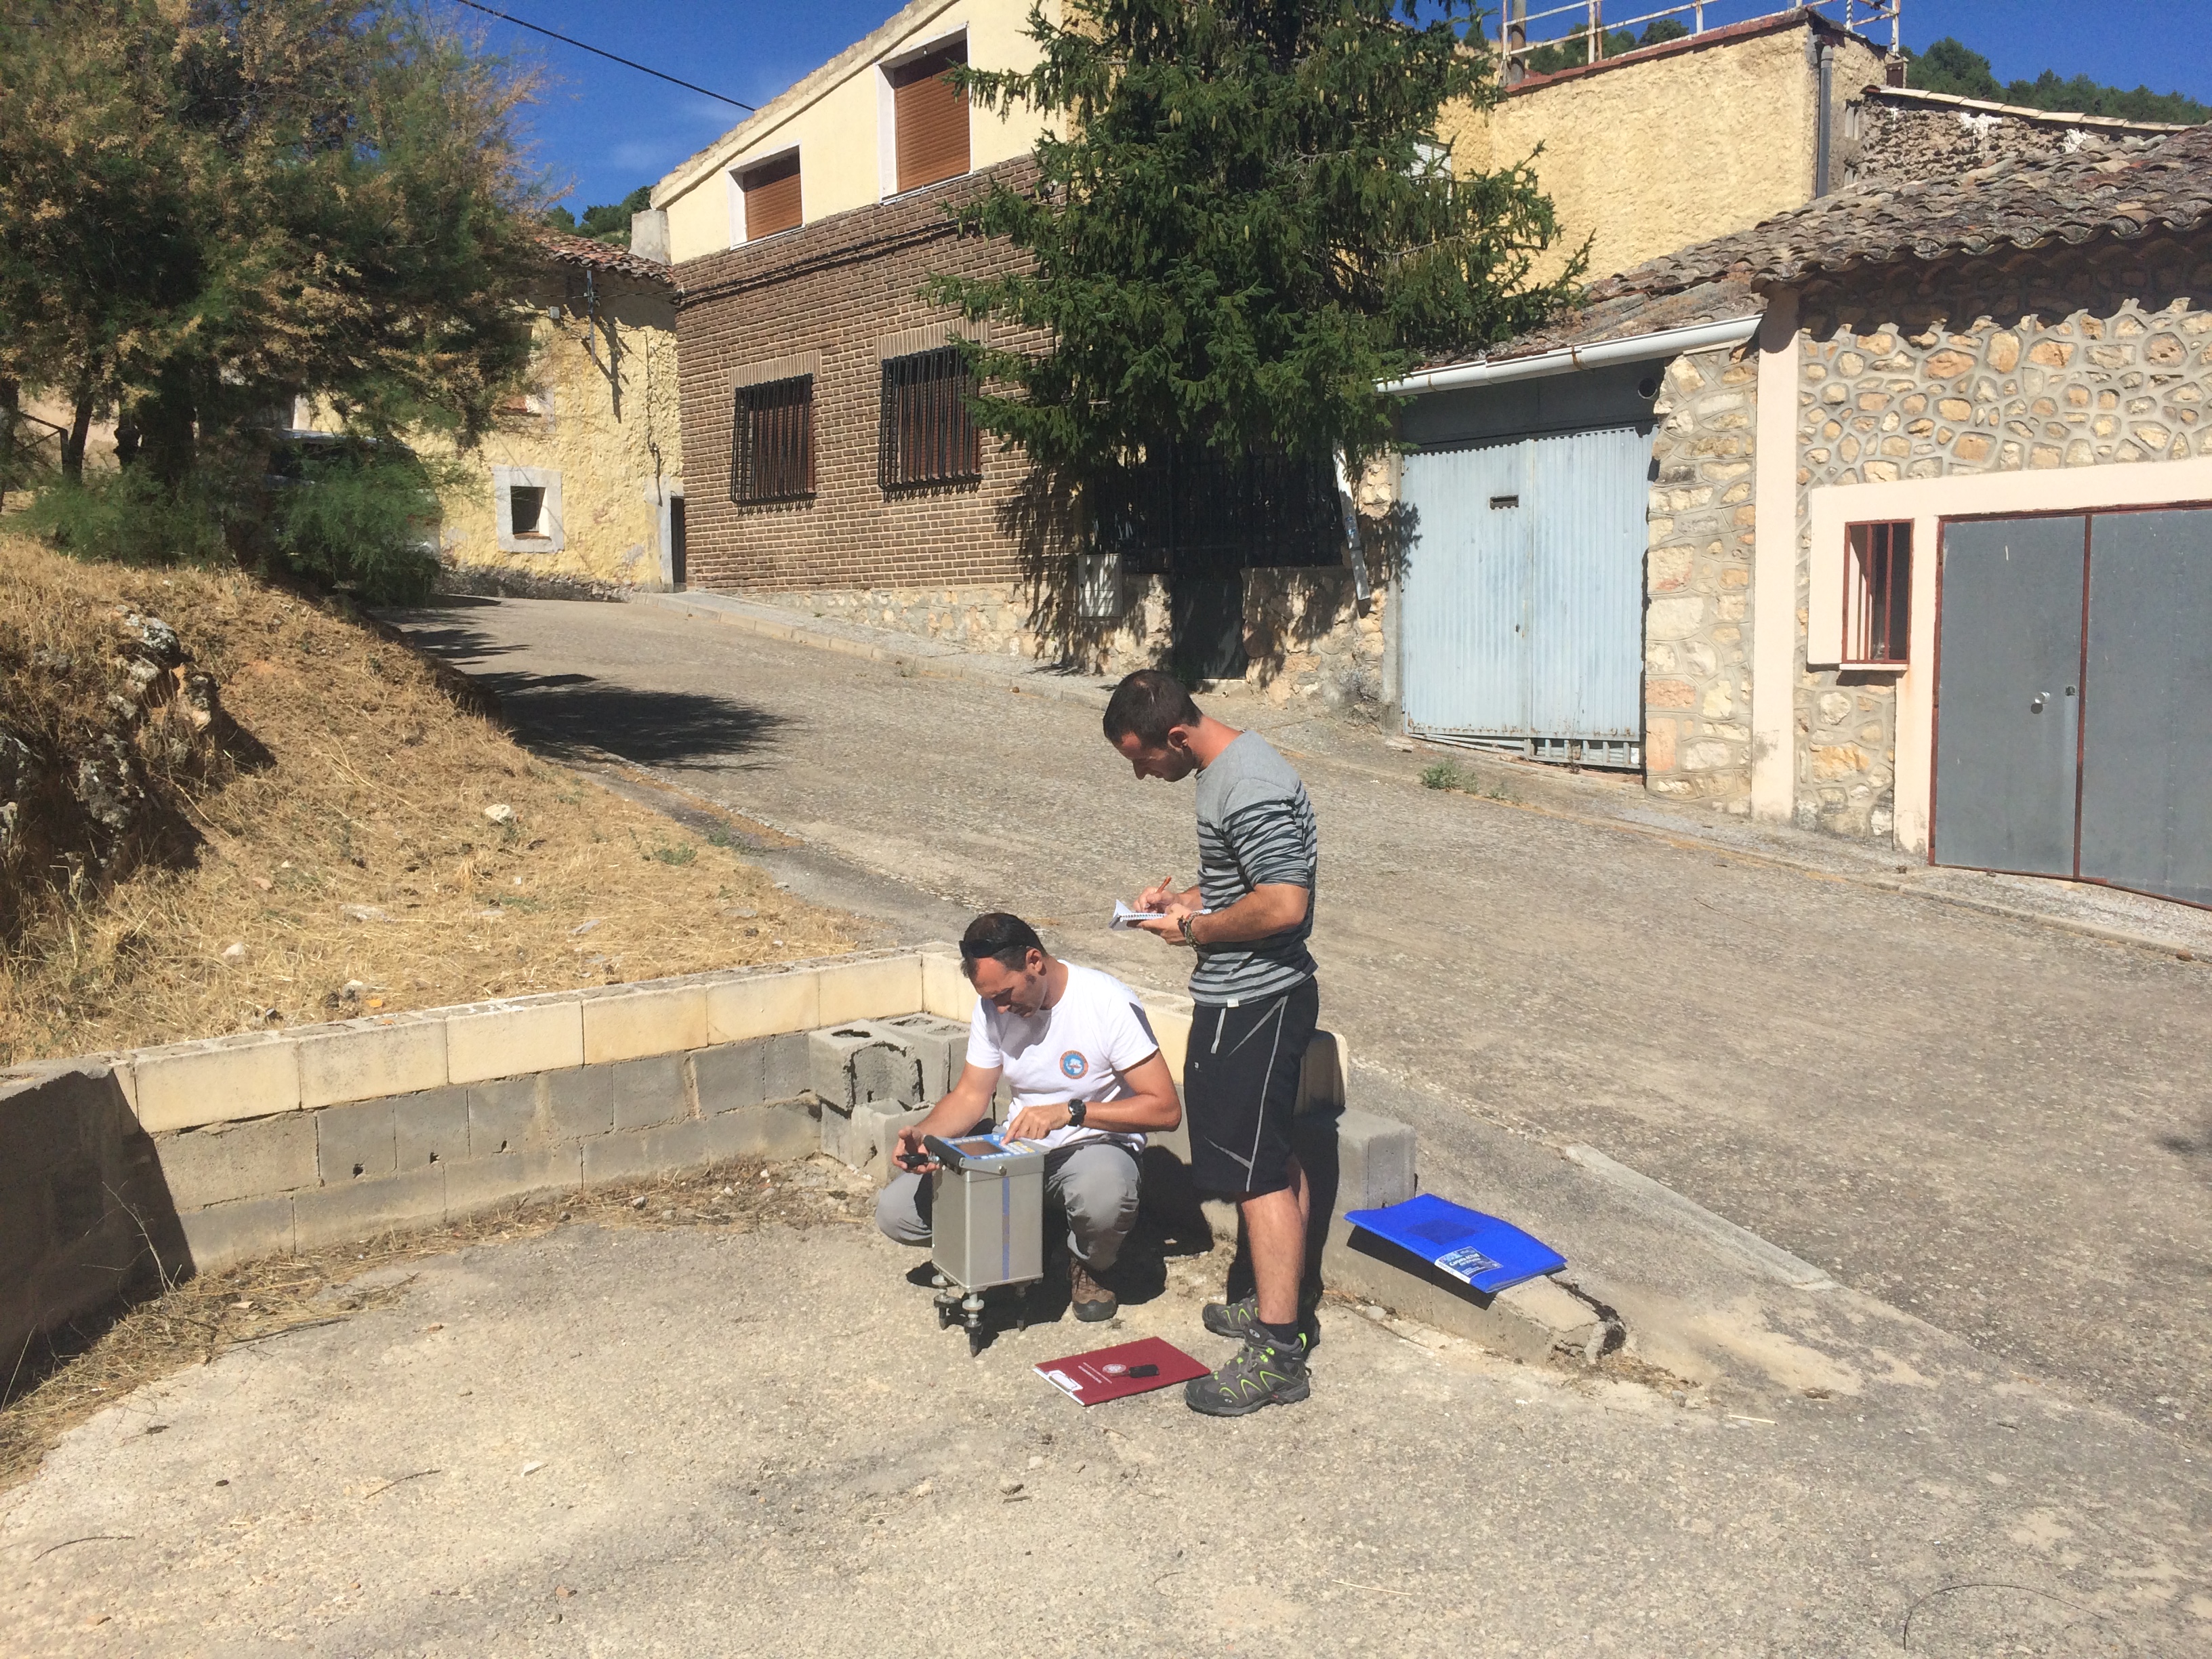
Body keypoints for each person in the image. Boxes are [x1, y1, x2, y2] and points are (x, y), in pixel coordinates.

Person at [1103, 668, 1321, 1416]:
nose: (1140, 774)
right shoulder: (1228, 768)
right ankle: (1276, 1297)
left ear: (1176, 735)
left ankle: (1278, 1351)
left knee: (1255, 1174)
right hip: (1250, 997)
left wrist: (1192, 929)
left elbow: (1284, 903)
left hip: (1254, 1003)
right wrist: (1187, 899)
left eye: (1141, 758)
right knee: (1274, 1156)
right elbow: (1247, 880)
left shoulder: (1247, 782)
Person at [876, 912, 1182, 1322]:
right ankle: (1031, 1242)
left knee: (1105, 1195)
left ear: (1034, 961)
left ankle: (1086, 1262)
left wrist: (1072, 1113)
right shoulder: (993, 1007)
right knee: (898, 1215)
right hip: (1017, 1148)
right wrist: (926, 1136)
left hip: (1090, 1147)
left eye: (1006, 994)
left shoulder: (1105, 1002)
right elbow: (971, 1094)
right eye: (990, 999)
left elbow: (1165, 1108)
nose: (1000, 1007)